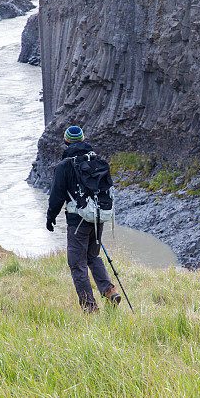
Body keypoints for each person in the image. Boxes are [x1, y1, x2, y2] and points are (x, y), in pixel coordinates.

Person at [46, 126, 121, 313]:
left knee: (76, 263)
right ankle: (110, 291)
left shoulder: (64, 166)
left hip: (77, 221)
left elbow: (56, 196)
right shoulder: (98, 161)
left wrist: (50, 217)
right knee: (92, 256)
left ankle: (90, 307)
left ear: (66, 141)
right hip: (98, 218)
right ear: (84, 140)